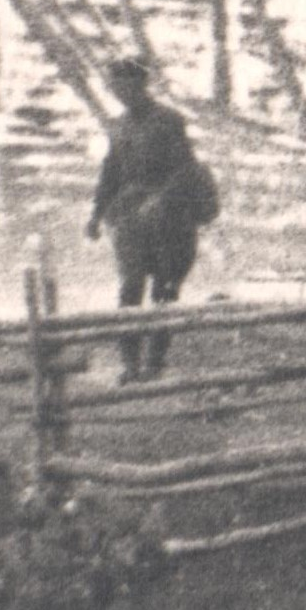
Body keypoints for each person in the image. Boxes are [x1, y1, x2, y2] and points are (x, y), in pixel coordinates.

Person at [89, 55, 219, 383]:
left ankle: (155, 362)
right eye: (115, 86)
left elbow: (186, 168)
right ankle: (130, 364)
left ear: (140, 84)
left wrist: (161, 199)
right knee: (130, 289)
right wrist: (95, 215)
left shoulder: (168, 120)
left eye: (126, 85)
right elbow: (110, 173)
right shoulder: (118, 126)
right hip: (131, 217)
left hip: (170, 218)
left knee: (165, 289)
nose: (120, 92)